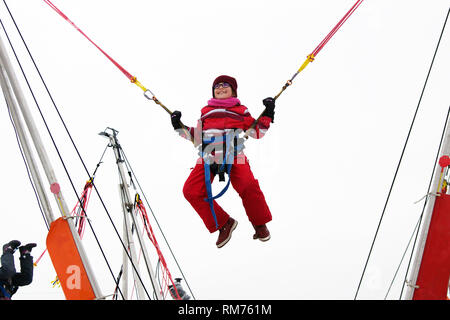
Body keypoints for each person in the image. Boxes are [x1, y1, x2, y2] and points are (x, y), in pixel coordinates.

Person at [171, 75, 275, 248]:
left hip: (233, 153)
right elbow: (197, 137)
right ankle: (224, 223)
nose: (220, 88)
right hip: (208, 155)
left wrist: (268, 112)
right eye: (217, 86)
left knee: (248, 185)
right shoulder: (206, 112)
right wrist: (178, 125)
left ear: (233, 90)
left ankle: (259, 223)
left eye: (225, 85)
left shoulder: (240, 110)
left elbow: (257, 132)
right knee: (191, 190)